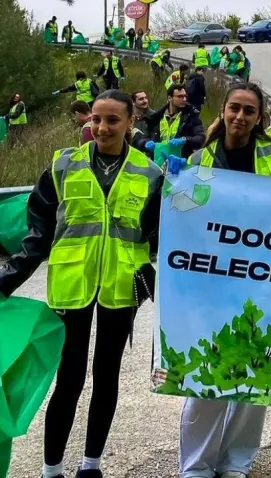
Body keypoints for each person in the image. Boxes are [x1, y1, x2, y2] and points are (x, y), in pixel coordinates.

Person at [0, 89, 163, 478]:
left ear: (130, 123)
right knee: (68, 380)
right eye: (96, 119)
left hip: (121, 289)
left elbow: (164, 238)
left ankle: (91, 466)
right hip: (71, 287)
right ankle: (51, 469)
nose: (102, 127)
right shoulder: (62, 165)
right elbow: (37, 236)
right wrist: (7, 281)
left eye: (112, 120)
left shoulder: (151, 174)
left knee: (106, 379)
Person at [175, 83, 271, 478]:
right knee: (208, 369)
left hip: (266, 279)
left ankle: (237, 462)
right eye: (234, 108)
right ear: (222, 111)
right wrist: (173, 185)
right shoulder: (200, 157)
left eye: (249, 111)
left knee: (256, 373)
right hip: (213, 281)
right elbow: (183, 215)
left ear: (260, 118)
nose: (240, 117)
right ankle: (197, 465)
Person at [141, 84, 205, 158]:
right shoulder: (156, 118)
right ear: (170, 98)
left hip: (180, 161)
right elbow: (143, 138)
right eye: (180, 96)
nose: (184, 99)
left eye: (185, 96)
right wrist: (146, 143)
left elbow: (201, 138)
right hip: (158, 161)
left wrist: (185, 140)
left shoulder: (191, 116)